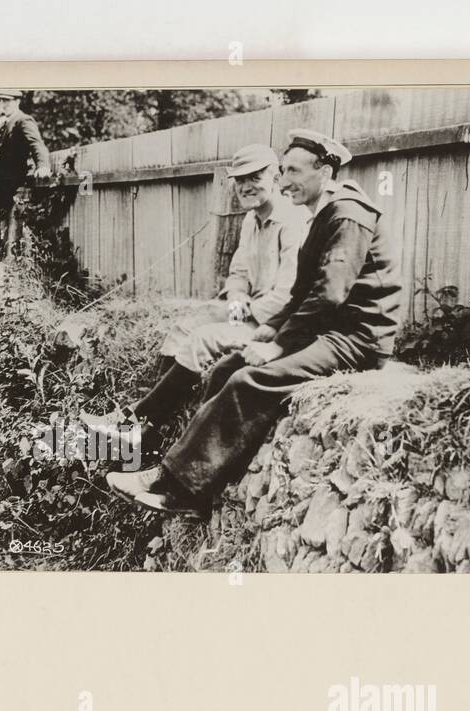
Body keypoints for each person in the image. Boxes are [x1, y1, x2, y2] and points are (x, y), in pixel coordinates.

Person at [106, 128, 404, 515]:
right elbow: (300, 293)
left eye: (294, 171)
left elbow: (331, 294)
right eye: (284, 170)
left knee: (251, 380)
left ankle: (179, 489)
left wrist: (278, 345)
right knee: (226, 370)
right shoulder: (321, 215)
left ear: (325, 173)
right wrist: (271, 326)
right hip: (329, 330)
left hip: (358, 339)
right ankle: (186, 485)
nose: (285, 181)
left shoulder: (348, 213)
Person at [80, 143, 306, 450]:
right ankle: (147, 425)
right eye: (240, 180)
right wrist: (236, 305)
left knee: (203, 338)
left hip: (275, 322)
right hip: (249, 310)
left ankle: (136, 421)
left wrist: (242, 316)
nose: (246, 186)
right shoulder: (251, 221)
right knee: (186, 325)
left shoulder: (292, 221)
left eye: (255, 177)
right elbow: (238, 273)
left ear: (275, 176)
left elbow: (288, 295)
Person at [0, 90, 51, 254]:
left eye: (7, 100)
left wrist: (42, 166)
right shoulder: (2, 123)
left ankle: (8, 267)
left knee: (12, 231)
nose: (3, 104)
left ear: (17, 101)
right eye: (0, 101)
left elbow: (37, 145)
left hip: (12, 186)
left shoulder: (23, 120)